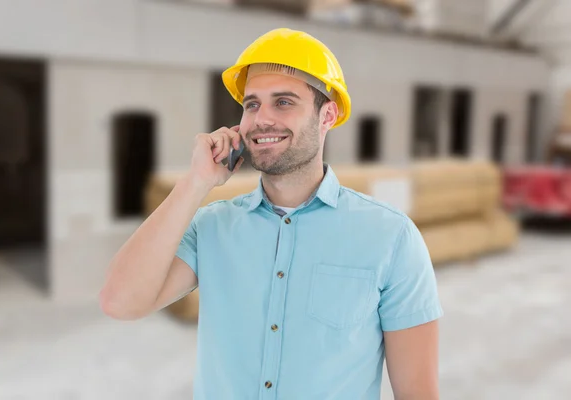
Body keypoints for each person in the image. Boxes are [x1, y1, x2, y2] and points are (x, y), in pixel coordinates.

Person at [100, 28, 443, 399]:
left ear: (327, 115)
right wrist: (196, 182)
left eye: (283, 102)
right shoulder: (213, 227)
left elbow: (417, 393)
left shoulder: (391, 237)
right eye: (251, 104)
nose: (261, 119)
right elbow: (121, 302)